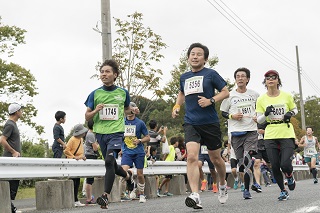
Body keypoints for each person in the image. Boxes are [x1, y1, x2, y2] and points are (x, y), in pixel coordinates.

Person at [172, 42, 230, 209]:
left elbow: (226, 92)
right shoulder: (184, 77)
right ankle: (195, 195)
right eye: (192, 54)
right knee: (191, 156)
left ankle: (222, 183)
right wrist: (177, 106)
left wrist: (211, 100)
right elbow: (182, 92)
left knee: (216, 159)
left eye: (199, 54)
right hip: (191, 122)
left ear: (205, 59)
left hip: (210, 122)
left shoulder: (211, 74)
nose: (195, 56)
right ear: (188, 57)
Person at [84, 59, 139, 209]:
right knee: (112, 165)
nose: (104, 74)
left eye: (107, 72)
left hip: (116, 132)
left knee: (109, 161)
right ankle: (128, 177)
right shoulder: (95, 94)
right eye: (102, 72)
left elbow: (126, 109)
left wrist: (132, 111)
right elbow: (87, 117)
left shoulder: (123, 92)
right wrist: (96, 110)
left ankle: (105, 196)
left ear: (115, 75)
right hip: (101, 133)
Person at [256, 70, 298, 201]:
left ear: (278, 80)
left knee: (285, 164)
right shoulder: (261, 99)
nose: (271, 79)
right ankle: (283, 190)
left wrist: (290, 114)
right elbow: (259, 120)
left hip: (285, 131)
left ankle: (289, 175)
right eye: (268, 78)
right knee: (274, 165)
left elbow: (295, 109)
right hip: (270, 133)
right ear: (265, 82)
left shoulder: (286, 96)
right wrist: (266, 114)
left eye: (273, 77)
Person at [220, 67, 260, 199]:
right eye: (238, 76)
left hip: (251, 131)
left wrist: (258, 117)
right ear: (235, 79)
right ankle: (246, 183)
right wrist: (233, 116)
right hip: (236, 132)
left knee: (248, 159)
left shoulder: (254, 94)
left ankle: (247, 190)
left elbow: (260, 110)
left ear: (247, 79)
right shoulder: (230, 95)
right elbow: (223, 112)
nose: (240, 78)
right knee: (241, 163)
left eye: (243, 76)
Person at [121, 102, 150, 203]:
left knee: (140, 174)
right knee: (122, 171)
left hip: (138, 152)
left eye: (130, 108)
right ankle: (131, 181)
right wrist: (120, 148)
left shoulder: (140, 123)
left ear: (134, 110)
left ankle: (141, 194)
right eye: (126, 108)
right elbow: (120, 136)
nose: (128, 110)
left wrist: (140, 140)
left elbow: (147, 137)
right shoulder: (122, 122)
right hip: (127, 151)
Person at [0, 103, 23, 213]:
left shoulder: (13, 124)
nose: (22, 112)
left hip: (14, 160)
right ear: (16, 112)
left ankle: (10, 207)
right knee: (11, 186)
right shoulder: (10, 124)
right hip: (10, 159)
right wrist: (13, 151)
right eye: (20, 110)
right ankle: (10, 208)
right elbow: (2, 140)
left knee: (13, 185)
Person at [64, 124, 88, 207]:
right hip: (72, 162)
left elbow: (80, 151)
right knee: (73, 181)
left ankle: (76, 200)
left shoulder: (81, 139)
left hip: (78, 162)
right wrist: (74, 157)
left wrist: (82, 157)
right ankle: (73, 199)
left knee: (77, 181)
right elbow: (66, 151)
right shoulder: (72, 139)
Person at [251, 122, 273, 193]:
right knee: (256, 163)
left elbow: (274, 130)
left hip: (267, 144)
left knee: (271, 164)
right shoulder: (249, 120)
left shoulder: (265, 118)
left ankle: (281, 178)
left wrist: (264, 131)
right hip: (256, 145)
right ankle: (258, 184)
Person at [84, 119, 100, 205]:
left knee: (90, 179)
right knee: (89, 179)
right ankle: (89, 198)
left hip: (90, 155)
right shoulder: (90, 135)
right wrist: (98, 144)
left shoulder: (90, 134)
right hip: (90, 156)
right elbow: (95, 148)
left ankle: (89, 197)